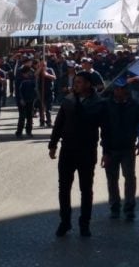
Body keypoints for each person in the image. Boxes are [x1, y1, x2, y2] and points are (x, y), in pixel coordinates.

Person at [48, 72, 103, 237]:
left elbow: (104, 128)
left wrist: (106, 151)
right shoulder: (69, 100)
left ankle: (84, 224)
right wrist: (53, 144)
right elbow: (59, 123)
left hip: (86, 151)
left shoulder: (98, 103)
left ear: (88, 84)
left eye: (79, 82)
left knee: (86, 189)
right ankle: (65, 222)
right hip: (68, 150)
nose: (76, 85)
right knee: (63, 188)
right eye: (75, 82)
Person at [100, 76, 139, 220]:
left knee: (129, 177)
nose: (120, 91)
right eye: (117, 88)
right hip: (111, 148)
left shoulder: (133, 105)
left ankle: (129, 207)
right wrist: (105, 151)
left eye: (123, 88)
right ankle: (114, 206)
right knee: (112, 178)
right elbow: (103, 128)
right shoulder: (106, 105)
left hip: (128, 148)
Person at [15, 65, 37, 138]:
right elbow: (18, 91)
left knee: (29, 116)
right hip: (22, 101)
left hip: (30, 100)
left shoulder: (31, 78)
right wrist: (21, 99)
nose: (30, 73)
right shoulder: (19, 80)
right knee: (22, 116)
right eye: (29, 72)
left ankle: (29, 131)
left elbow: (35, 87)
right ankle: (19, 132)